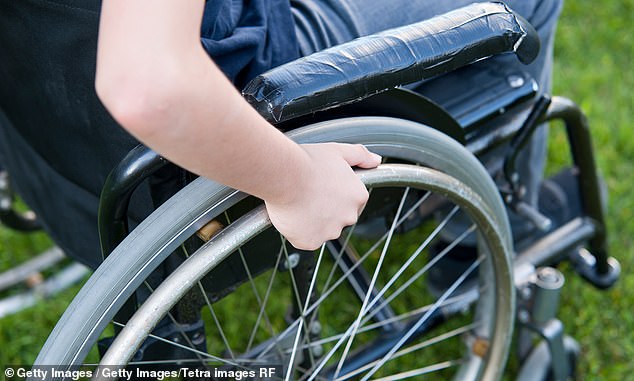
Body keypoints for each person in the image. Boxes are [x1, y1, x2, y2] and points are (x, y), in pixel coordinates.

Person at [0, 0, 562, 269]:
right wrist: (298, 184)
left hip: (61, 151)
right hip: (247, 93)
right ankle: (476, 250)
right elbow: (147, 83)